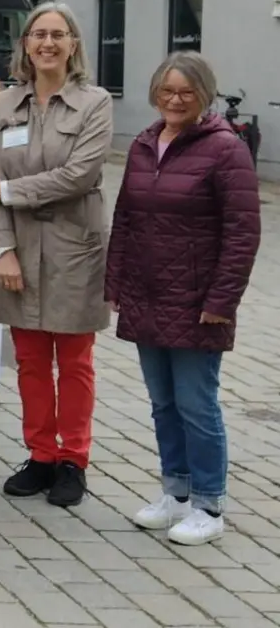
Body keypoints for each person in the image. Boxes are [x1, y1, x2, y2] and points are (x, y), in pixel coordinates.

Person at [108, 52, 260, 545]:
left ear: (204, 95)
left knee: (197, 405)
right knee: (163, 404)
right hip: (146, 294)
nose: (175, 100)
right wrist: (116, 283)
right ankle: (175, 493)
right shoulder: (144, 144)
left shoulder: (225, 149)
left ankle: (208, 505)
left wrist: (222, 300)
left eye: (186, 92)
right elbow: (125, 219)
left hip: (197, 302)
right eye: (167, 91)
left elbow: (243, 233)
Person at [0, 2, 113, 508]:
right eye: (39, 34)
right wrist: (3, 250)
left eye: (59, 34)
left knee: (74, 362)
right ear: (26, 45)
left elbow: (78, 176)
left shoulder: (94, 103)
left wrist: (10, 191)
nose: (48, 43)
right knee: (31, 361)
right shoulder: (5, 103)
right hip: (18, 247)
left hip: (74, 249)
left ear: (73, 44)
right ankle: (40, 455)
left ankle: (73, 461)